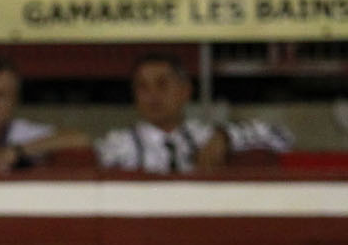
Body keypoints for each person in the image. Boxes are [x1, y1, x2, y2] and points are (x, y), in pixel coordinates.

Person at [95, 53, 291, 173]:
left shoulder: (204, 137)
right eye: (143, 87)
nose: (152, 95)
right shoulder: (118, 144)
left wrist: (226, 137)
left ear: (185, 91)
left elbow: (282, 137)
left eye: (162, 84)